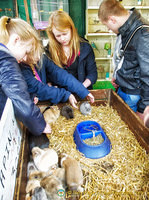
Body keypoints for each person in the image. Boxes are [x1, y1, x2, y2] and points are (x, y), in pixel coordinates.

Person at [98, 0, 149, 124]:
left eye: (107, 25)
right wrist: (118, 76)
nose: (109, 29)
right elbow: (125, 58)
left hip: (133, 94)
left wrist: (143, 108)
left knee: (129, 126)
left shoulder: (142, 34)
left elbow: (148, 74)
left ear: (112, 19)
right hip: (124, 87)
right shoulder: (126, 29)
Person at [0, 16, 51, 135]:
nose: (24, 58)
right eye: (26, 52)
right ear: (16, 40)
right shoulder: (5, 59)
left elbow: (8, 90)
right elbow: (20, 99)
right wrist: (40, 125)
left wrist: (29, 95)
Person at [45, 10, 98, 90]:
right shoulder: (49, 50)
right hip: (61, 94)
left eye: (65, 34)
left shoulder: (85, 47)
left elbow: (92, 74)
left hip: (82, 89)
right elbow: (47, 75)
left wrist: (81, 88)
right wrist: (51, 87)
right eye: (58, 36)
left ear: (71, 29)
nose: (62, 39)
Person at [20, 53, 95, 108]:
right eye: (33, 52)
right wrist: (65, 94)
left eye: (38, 50)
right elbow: (39, 88)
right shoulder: (22, 68)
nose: (38, 55)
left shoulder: (41, 58)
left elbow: (59, 74)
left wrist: (81, 90)